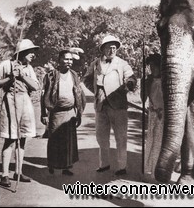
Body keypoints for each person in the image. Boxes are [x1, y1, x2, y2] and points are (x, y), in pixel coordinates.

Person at [83, 35, 137, 176]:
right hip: (101, 106)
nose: (112, 50)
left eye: (114, 47)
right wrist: (96, 91)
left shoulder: (122, 63)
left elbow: (131, 77)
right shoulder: (95, 64)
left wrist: (129, 84)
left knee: (121, 137)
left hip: (118, 106)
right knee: (101, 137)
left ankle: (121, 166)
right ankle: (104, 164)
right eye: (109, 47)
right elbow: (87, 79)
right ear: (103, 49)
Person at [0, 39, 40, 187]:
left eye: (33, 52)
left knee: (23, 137)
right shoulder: (6, 65)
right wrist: (10, 77)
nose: (33, 55)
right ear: (22, 52)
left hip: (25, 101)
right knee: (10, 138)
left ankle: (18, 171)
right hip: (11, 101)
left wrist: (22, 76)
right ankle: (4, 175)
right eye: (30, 52)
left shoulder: (29, 68)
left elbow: (35, 87)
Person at [40, 49, 86, 176]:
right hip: (56, 113)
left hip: (70, 112)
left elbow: (78, 93)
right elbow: (43, 95)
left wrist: (78, 112)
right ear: (59, 60)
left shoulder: (74, 75)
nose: (69, 62)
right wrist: (43, 113)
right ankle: (52, 164)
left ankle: (66, 167)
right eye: (66, 59)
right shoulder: (51, 76)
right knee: (54, 139)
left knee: (68, 141)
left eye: (71, 60)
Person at [140, 53, 164, 181]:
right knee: (151, 140)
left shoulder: (166, 80)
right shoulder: (148, 80)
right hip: (153, 114)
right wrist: (143, 83)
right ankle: (148, 168)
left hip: (163, 115)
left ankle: (157, 171)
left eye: (155, 67)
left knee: (159, 142)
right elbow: (143, 98)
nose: (153, 69)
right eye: (151, 67)